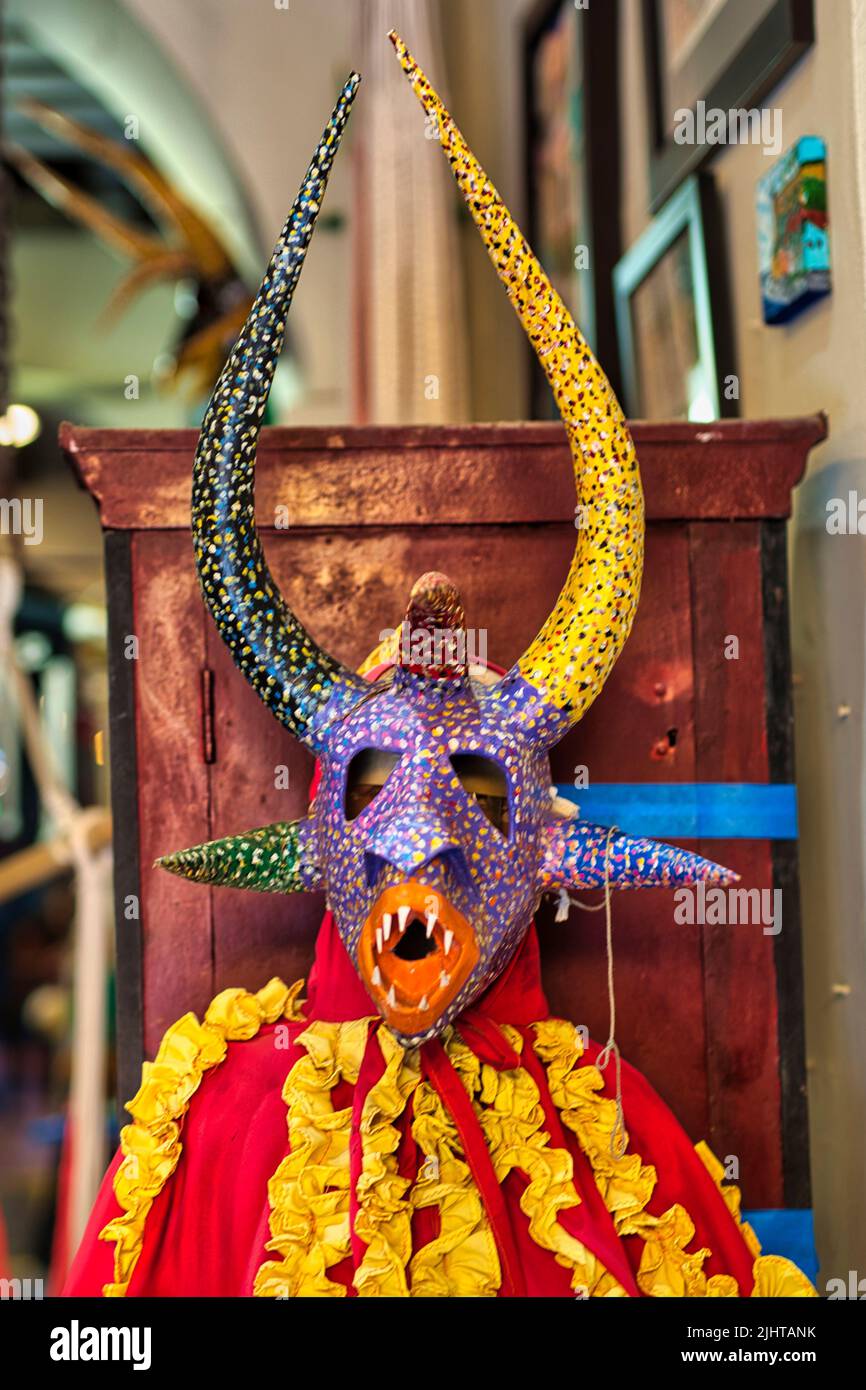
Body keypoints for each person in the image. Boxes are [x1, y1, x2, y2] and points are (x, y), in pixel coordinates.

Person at [64, 34, 815, 1299]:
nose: (416, 844)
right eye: (374, 797)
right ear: (314, 831)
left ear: (549, 836)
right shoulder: (218, 1125)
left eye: (467, 794)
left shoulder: (606, 1139)